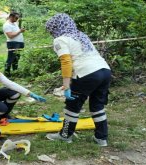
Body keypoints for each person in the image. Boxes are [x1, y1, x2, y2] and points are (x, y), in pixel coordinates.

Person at [45, 13, 112, 147]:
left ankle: (65, 135)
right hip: (105, 70)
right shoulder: (81, 35)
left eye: (51, 29)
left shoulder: (60, 39)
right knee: (97, 105)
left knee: (72, 107)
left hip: (86, 74)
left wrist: (66, 86)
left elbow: (66, 61)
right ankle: (101, 138)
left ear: (56, 27)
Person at [0, 55, 46, 119]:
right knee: (2, 108)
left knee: (15, 94)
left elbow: (11, 84)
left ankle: (2, 115)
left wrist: (30, 94)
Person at [3, 12, 25, 77]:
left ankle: (15, 72)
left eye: (18, 18)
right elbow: (10, 36)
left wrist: (21, 31)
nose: (17, 19)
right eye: (16, 18)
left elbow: (16, 32)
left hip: (19, 43)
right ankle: (7, 73)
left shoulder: (15, 23)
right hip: (13, 43)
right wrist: (20, 31)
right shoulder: (6, 25)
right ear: (11, 17)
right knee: (11, 58)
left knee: (16, 58)